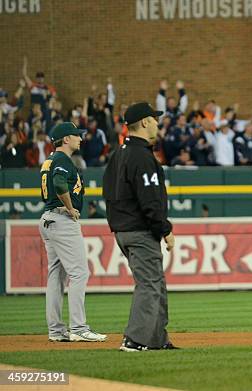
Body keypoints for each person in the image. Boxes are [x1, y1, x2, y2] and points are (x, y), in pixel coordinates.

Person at [103, 102, 177, 352]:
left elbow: (108, 194)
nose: (157, 122)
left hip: (123, 229)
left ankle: (156, 339)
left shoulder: (118, 155)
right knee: (148, 284)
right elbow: (150, 199)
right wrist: (164, 229)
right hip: (140, 229)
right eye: (154, 119)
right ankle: (135, 339)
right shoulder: (142, 156)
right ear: (145, 122)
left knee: (155, 282)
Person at [39, 122, 107, 343]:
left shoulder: (49, 160)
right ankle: (78, 327)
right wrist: (70, 208)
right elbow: (59, 185)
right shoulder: (61, 160)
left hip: (49, 218)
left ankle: (56, 331)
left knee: (56, 276)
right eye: (76, 135)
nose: (80, 138)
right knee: (79, 273)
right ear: (65, 139)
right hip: (61, 219)